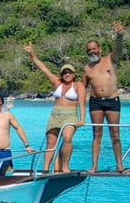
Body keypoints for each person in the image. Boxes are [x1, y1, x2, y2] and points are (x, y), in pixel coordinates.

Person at [25, 44, 85, 173]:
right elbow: (44, 69)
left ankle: (65, 165)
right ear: (62, 74)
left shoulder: (78, 85)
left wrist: (82, 119)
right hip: (55, 114)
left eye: (69, 72)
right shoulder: (57, 83)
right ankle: (45, 169)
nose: (67, 74)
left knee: (67, 138)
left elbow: (82, 103)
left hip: (70, 114)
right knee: (51, 143)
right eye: (65, 73)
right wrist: (32, 54)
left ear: (74, 74)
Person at [83, 22, 129, 174]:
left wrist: (120, 35)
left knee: (115, 133)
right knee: (97, 134)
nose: (92, 52)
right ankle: (94, 166)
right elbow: (82, 88)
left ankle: (120, 165)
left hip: (112, 100)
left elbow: (119, 48)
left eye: (94, 49)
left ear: (100, 49)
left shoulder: (111, 59)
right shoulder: (87, 68)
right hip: (95, 102)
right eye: (89, 50)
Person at [0, 95, 36, 185]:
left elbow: (18, 128)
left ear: (2, 105)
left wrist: (27, 145)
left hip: (4, 152)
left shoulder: (7, 115)